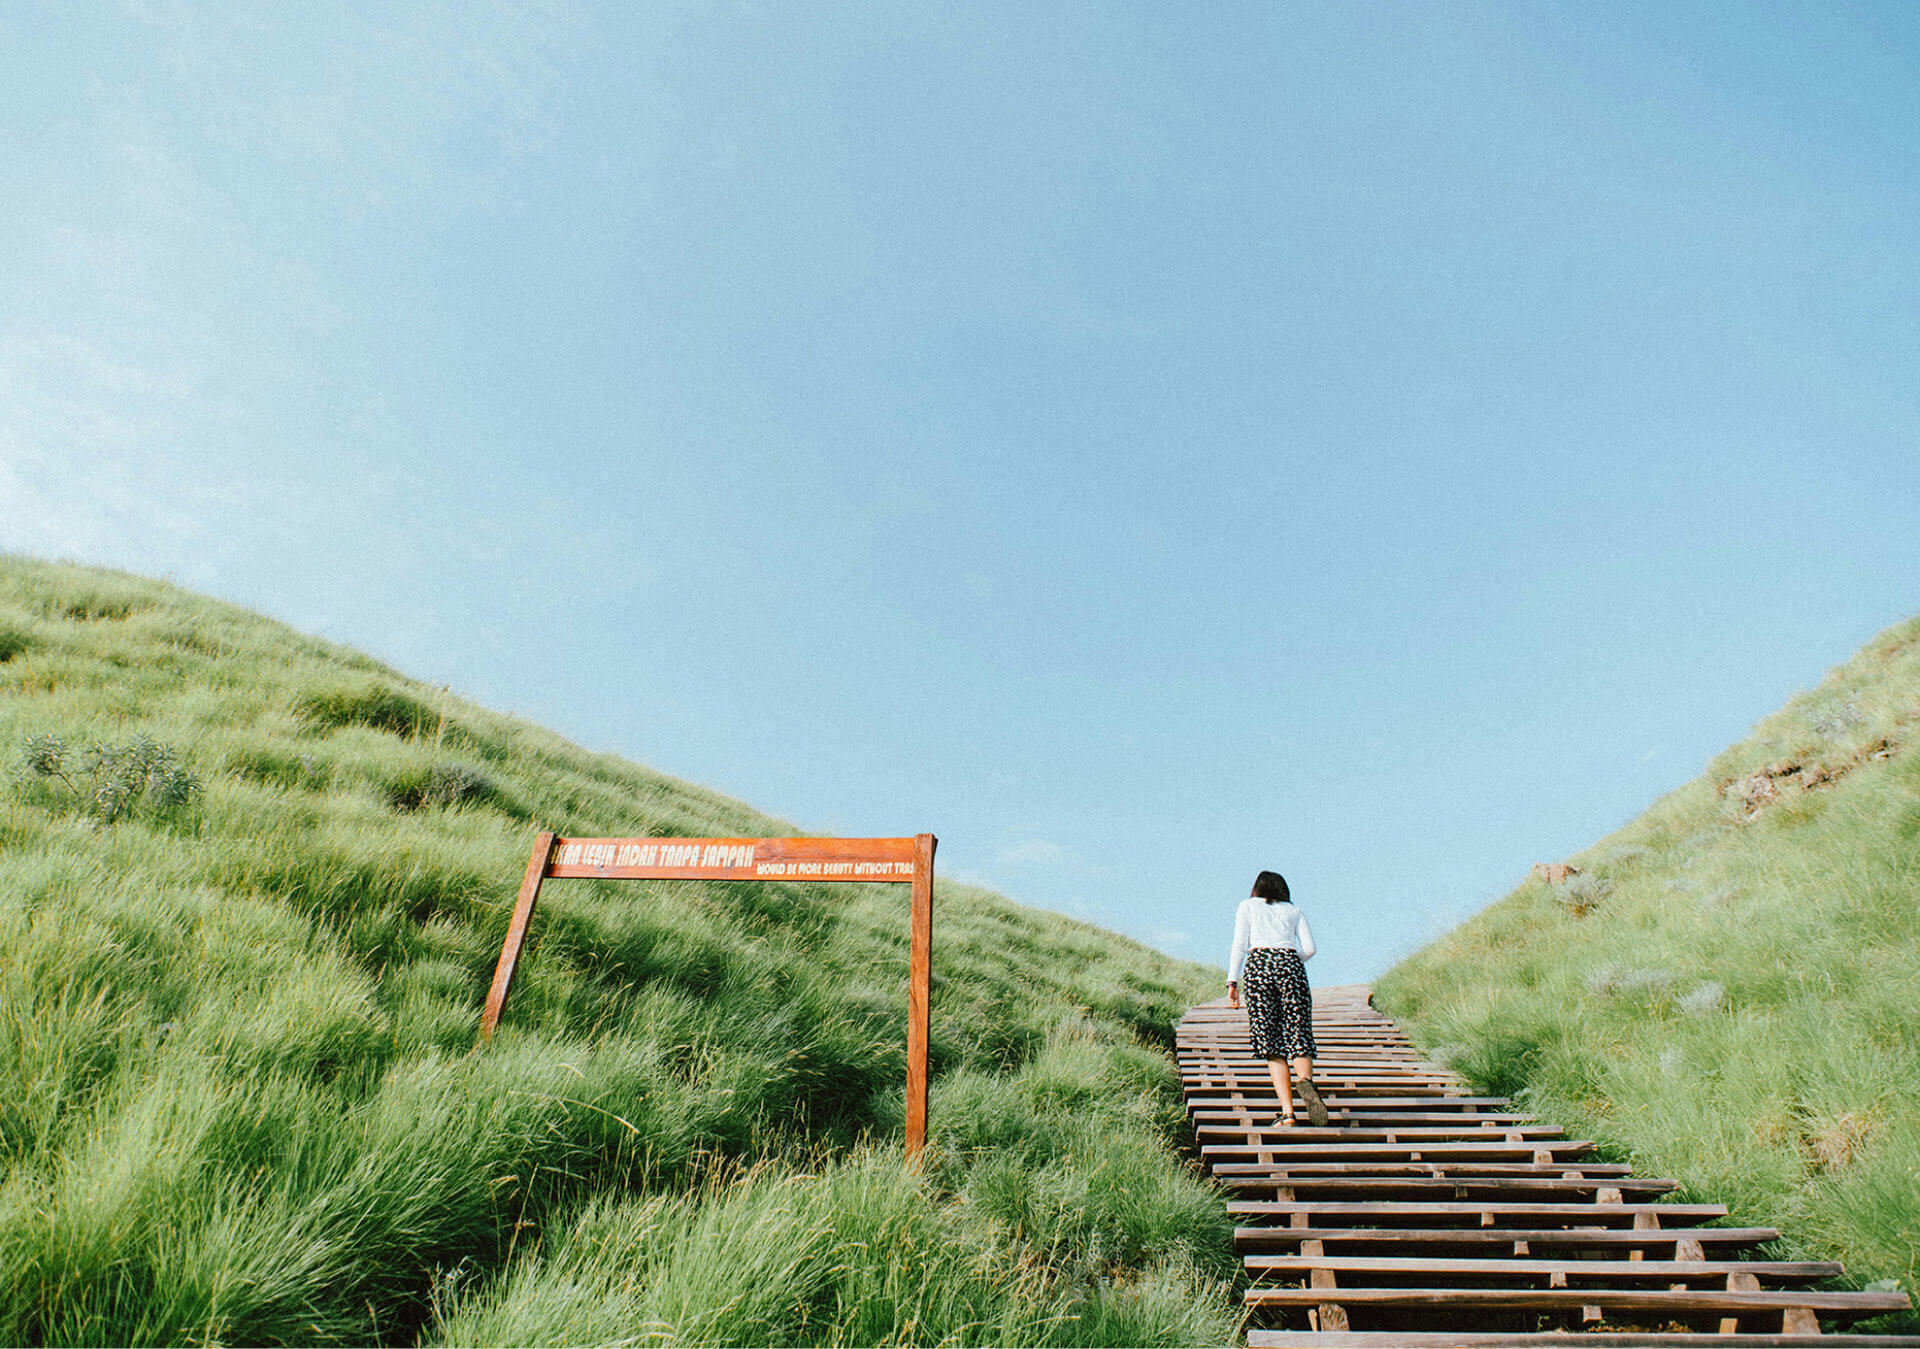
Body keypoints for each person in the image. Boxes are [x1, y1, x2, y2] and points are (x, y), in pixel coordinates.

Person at [1226, 870, 1325, 1126]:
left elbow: (1239, 944)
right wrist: (1291, 960)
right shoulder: (1294, 911)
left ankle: (1288, 1113)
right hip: (1290, 964)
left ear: (1257, 889)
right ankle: (1305, 1080)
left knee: (1271, 1041)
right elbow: (1311, 948)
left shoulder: (1247, 906)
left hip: (1259, 964)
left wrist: (1232, 981)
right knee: (1299, 1029)